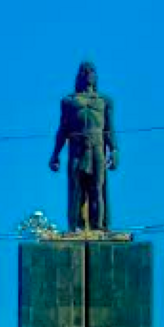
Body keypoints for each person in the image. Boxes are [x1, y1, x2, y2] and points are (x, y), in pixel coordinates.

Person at [49, 61, 118, 231]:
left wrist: (114, 150)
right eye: (84, 71)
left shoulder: (104, 101)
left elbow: (109, 129)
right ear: (79, 75)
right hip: (77, 148)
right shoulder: (69, 101)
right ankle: (75, 227)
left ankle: (99, 226)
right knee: (76, 189)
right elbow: (63, 129)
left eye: (92, 71)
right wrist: (55, 154)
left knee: (97, 187)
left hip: (97, 148)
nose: (88, 74)